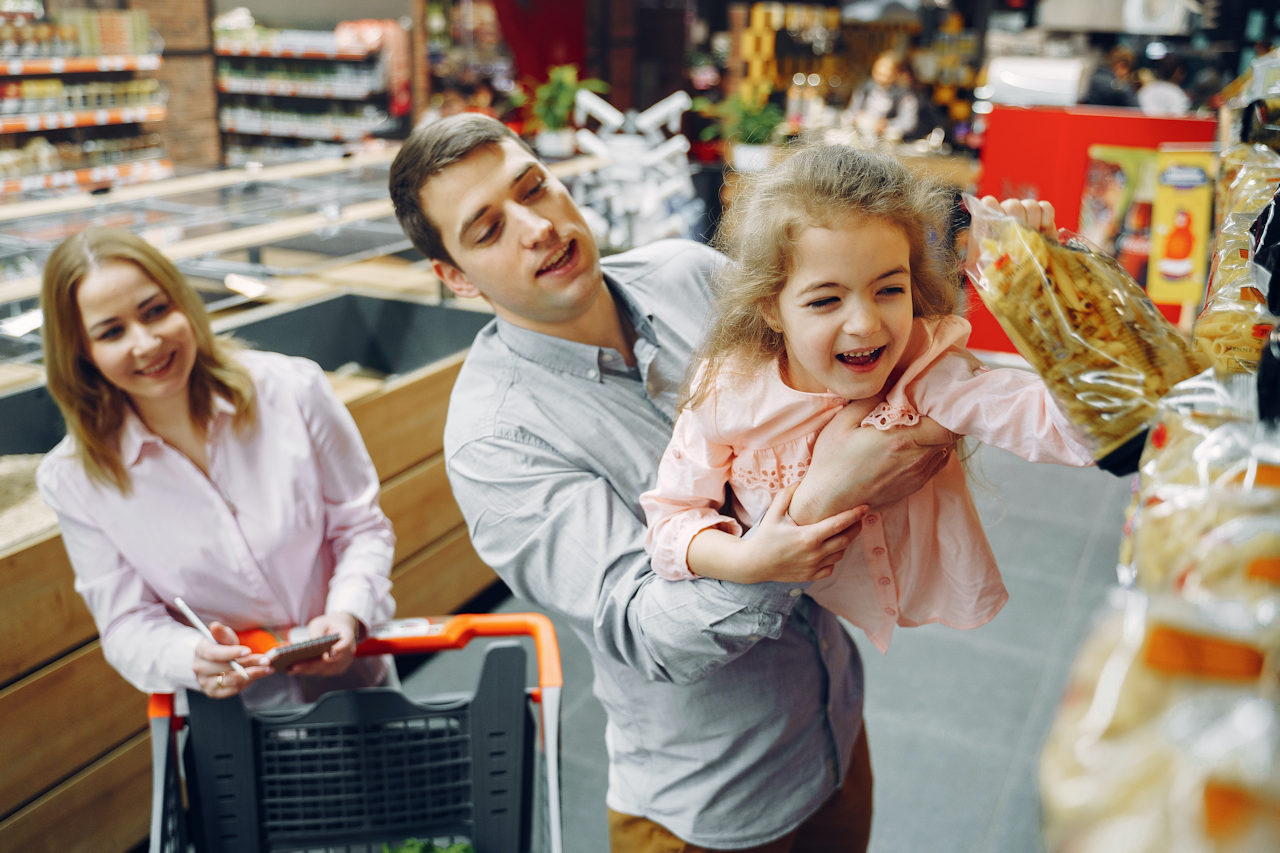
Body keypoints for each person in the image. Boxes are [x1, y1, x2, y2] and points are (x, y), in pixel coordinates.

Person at [388, 113, 957, 852]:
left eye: (534, 187)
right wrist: (821, 502)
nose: (536, 226)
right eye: (488, 229)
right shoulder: (495, 439)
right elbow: (643, 627)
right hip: (708, 806)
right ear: (455, 276)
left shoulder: (691, 276)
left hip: (834, 729)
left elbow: (852, 347)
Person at [641, 146, 1094, 654]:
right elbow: (670, 523)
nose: (865, 324)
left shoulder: (924, 368)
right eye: (825, 300)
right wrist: (749, 561)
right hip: (759, 631)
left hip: (863, 618)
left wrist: (1052, 308)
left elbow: (1079, 432)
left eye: (889, 290)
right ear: (771, 308)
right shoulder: (730, 391)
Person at [36, 227, 396, 708]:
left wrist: (348, 611)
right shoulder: (74, 479)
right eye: (112, 332)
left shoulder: (293, 389)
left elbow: (361, 528)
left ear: (182, 303)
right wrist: (192, 655)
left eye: (156, 311)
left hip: (357, 688)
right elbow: (125, 624)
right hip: (231, 726)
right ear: (81, 351)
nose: (146, 343)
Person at [846, 51, 919, 140]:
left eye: (886, 75)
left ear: (895, 74)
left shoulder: (904, 95)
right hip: (863, 136)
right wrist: (856, 118)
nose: (882, 79)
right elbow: (851, 111)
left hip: (888, 140)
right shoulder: (865, 89)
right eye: (879, 74)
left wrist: (887, 124)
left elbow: (909, 122)